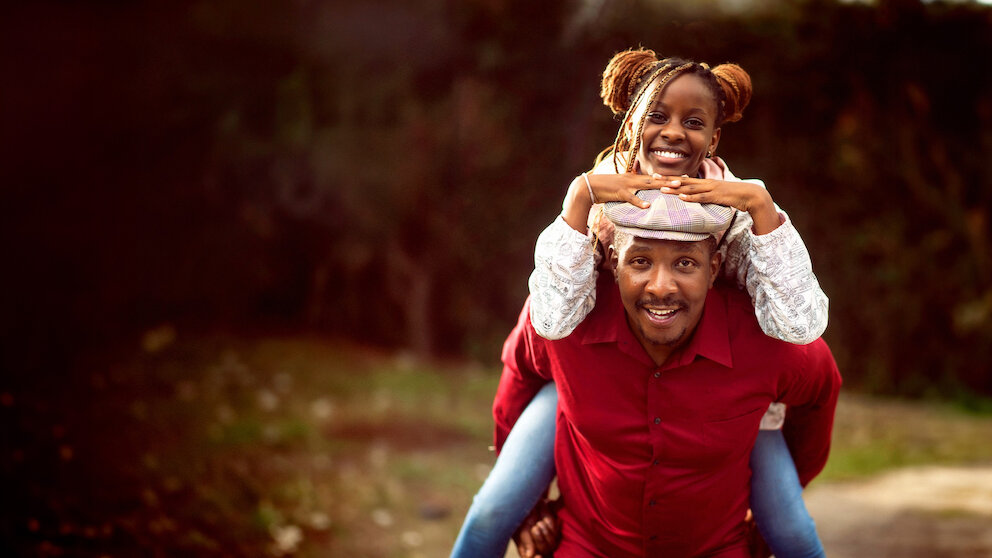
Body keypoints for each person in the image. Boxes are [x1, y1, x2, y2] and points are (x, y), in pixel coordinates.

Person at [451, 49, 829, 558]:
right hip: (593, 372)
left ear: (714, 138)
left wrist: (759, 204)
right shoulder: (599, 196)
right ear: (631, 122)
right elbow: (546, 328)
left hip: (722, 388)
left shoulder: (734, 206)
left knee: (794, 532)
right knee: (491, 513)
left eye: (693, 122)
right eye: (657, 116)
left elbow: (800, 327)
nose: (673, 132)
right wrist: (581, 196)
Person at [495, 189, 841, 556]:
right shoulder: (564, 321)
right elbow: (518, 379)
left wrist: (778, 503)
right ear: (614, 263)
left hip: (716, 548)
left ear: (714, 269)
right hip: (587, 545)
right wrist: (527, 510)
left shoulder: (763, 342)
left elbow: (822, 390)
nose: (661, 287)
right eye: (640, 261)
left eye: (685, 263)